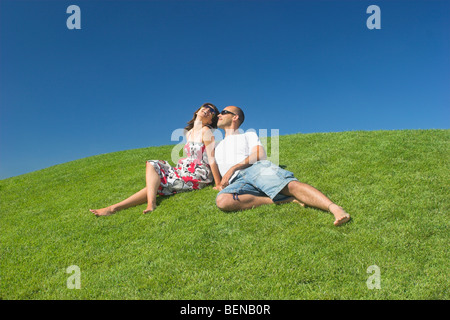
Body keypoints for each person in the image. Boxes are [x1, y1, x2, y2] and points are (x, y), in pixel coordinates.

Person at [214, 106, 351, 226]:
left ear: (235, 117)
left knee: (290, 185)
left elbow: (259, 154)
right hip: (237, 182)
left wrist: (234, 168)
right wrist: (219, 183)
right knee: (223, 200)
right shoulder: (218, 145)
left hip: (254, 169)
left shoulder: (247, 135)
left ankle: (334, 208)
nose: (219, 115)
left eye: (223, 112)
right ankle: (283, 201)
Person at [90, 103, 222, 216]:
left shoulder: (207, 131)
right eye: (205, 107)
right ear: (198, 110)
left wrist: (218, 184)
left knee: (156, 181)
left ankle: (128, 207)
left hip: (197, 175)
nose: (207, 110)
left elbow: (211, 158)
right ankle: (115, 207)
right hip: (184, 170)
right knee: (152, 168)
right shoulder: (189, 133)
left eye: (211, 112)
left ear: (211, 120)